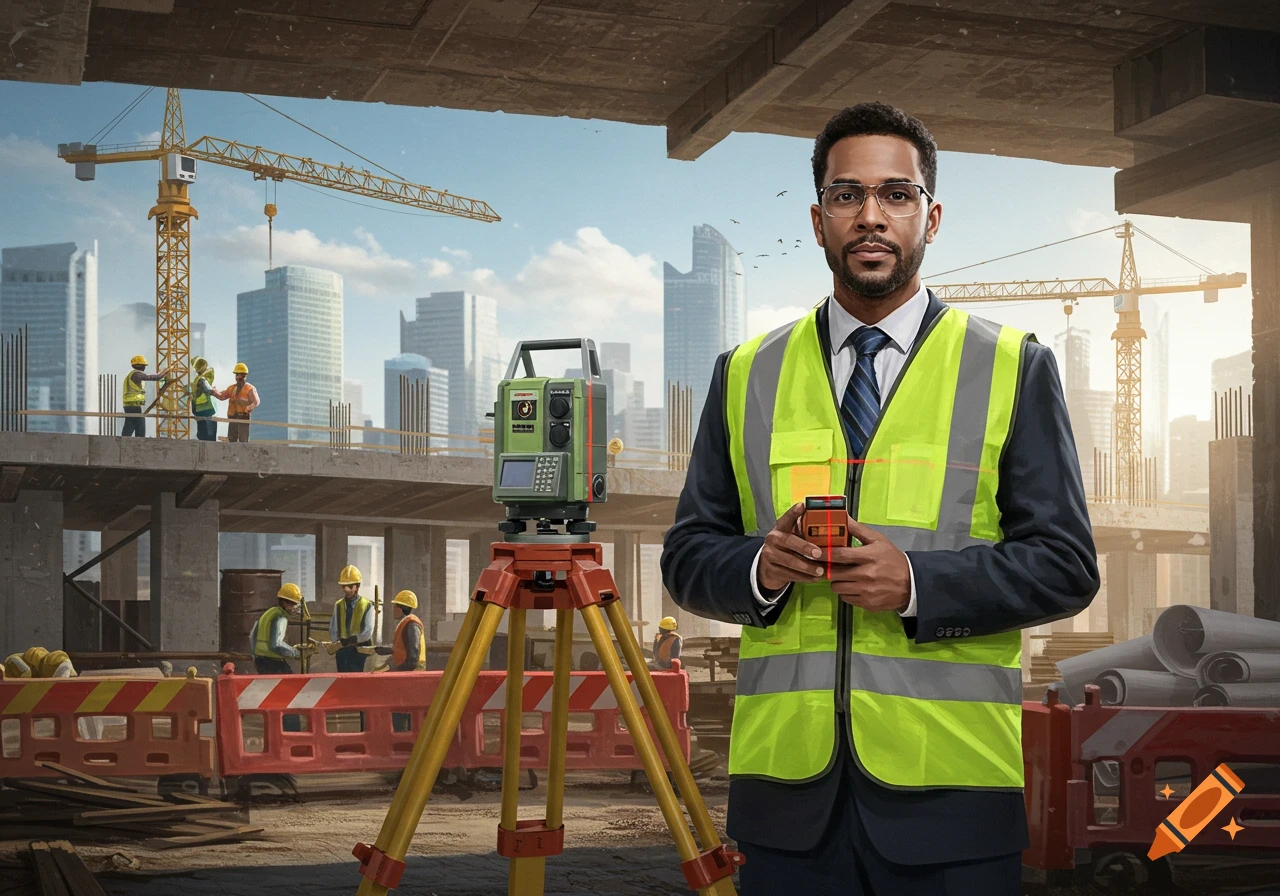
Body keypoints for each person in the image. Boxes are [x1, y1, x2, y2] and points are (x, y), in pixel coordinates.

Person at [660, 102, 1098, 896]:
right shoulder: (745, 372)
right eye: (846, 195)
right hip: (784, 807)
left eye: (896, 195)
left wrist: (920, 585)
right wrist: (761, 565)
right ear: (818, 218)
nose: (871, 216)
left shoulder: (1012, 366)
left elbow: (1066, 565)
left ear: (930, 217)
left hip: (953, 801)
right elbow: (689, 557)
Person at [250, 583, 305, 674]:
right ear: (285, 602)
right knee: (291, 683)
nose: (294, 608)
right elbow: (275, 645)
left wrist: (254, 655)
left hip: (259, 659)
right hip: (272, 660)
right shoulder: (280, 617)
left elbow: (252, 635)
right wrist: (295, 652)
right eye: (293, 604)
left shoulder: (270, 612)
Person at [329, 564, 374, 673]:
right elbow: (333, 629)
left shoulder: (367, 605)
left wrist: (353, 639)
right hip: (342, 651)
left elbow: (368, 631)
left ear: (357, 586)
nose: (346, 589)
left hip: (360, 651)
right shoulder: (338, 605)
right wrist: (338, 642)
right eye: (344, 586)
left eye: (350, 586)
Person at [121, 355, 166, 437]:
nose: (144, 368)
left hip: (129, 405)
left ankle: (123, 443)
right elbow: (155, 377)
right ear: (140, 366)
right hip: (134, 405)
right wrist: (167, 371)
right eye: (144, 366)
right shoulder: (137, 375)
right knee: (140, 427)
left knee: (129, 426)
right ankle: (139, 443)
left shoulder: (130, 375)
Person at [215, 362, 259, 442]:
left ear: (245, 376)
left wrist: (249, 408)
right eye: (237, 375)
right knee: (232, 438)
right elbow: (222, 396)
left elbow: (256, 401)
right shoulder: (232, 388)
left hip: (243, 417)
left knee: (243, 439)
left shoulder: (250, 389)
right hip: (232, 416)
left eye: (240, 375)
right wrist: (213, 392)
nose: (238, 377)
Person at [390, 590, 426, 672]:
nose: (393, 610)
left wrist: (399, 670)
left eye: (395, 607)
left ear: (402, 608)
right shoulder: (405, 623)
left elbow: (413, 655)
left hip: (412, 672)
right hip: (407, 671)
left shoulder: (412, 624)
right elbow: (402, 647)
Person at [189, 357, 219, 442]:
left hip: (201, 409)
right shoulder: (201, 379)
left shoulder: (199, 379)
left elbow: (205, 389)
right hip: (205, 408)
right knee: (207, 434)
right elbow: (207, 389)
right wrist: (215, 392)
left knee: (204, 433)